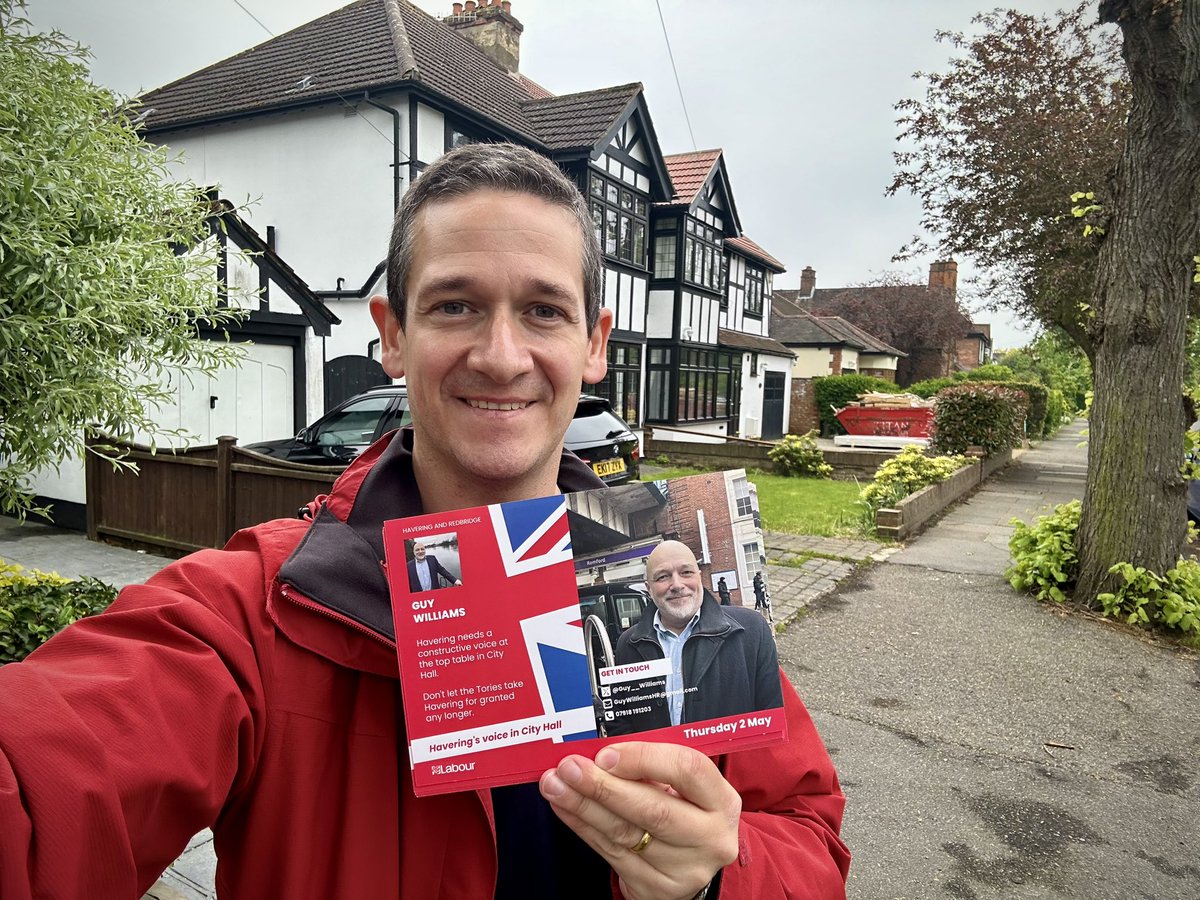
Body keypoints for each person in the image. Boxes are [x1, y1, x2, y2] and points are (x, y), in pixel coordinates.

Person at [0, 143, 848, 899]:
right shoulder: (261, 609)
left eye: (543, 311)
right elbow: (49, 772)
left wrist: (716, 879)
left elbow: (809, 839)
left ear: (594, 344)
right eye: (455, 306)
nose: (502, 356)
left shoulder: (701, 607)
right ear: (394, 337)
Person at [608, 542, 783, 734]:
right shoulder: (628, 643)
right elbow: (621, 720)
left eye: (686, 572)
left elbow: (774, 713)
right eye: (663, 577)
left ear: (700, 577)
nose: (676, 585)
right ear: (649, 588)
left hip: (727, 764)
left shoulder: (752, 630)